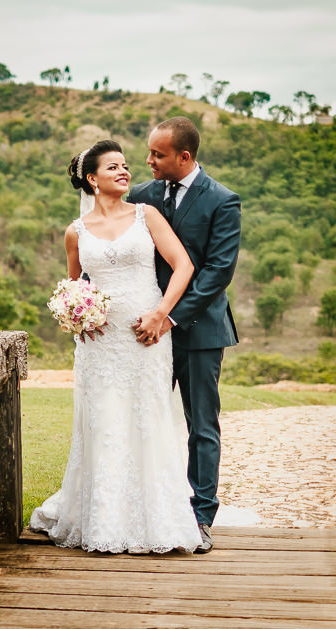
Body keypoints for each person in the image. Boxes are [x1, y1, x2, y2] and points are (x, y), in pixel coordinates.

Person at [29, 139, 204, 554]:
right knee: (104, 425)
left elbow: (184, 266)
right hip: (99, 346)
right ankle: (105, 521)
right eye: (113, 167)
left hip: (146, 337)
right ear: (92, 179)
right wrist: (76, 316)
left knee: (148, 420)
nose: (124, 172)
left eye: (125, 166)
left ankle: (156, 520)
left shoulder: (148, 216)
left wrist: (160, 314)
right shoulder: (76, 232)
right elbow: (75, 285)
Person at [130, 117, 242, 553]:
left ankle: (200, 516)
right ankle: (147, 507)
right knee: (145, 418)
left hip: (198, 330)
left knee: (201, 426)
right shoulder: (142, 196)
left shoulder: (222, 201)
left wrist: (169, 317)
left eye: (158, 154)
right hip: (146, 333)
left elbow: (218, 272)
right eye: (149, 152)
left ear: (185, 156)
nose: (149, 161)